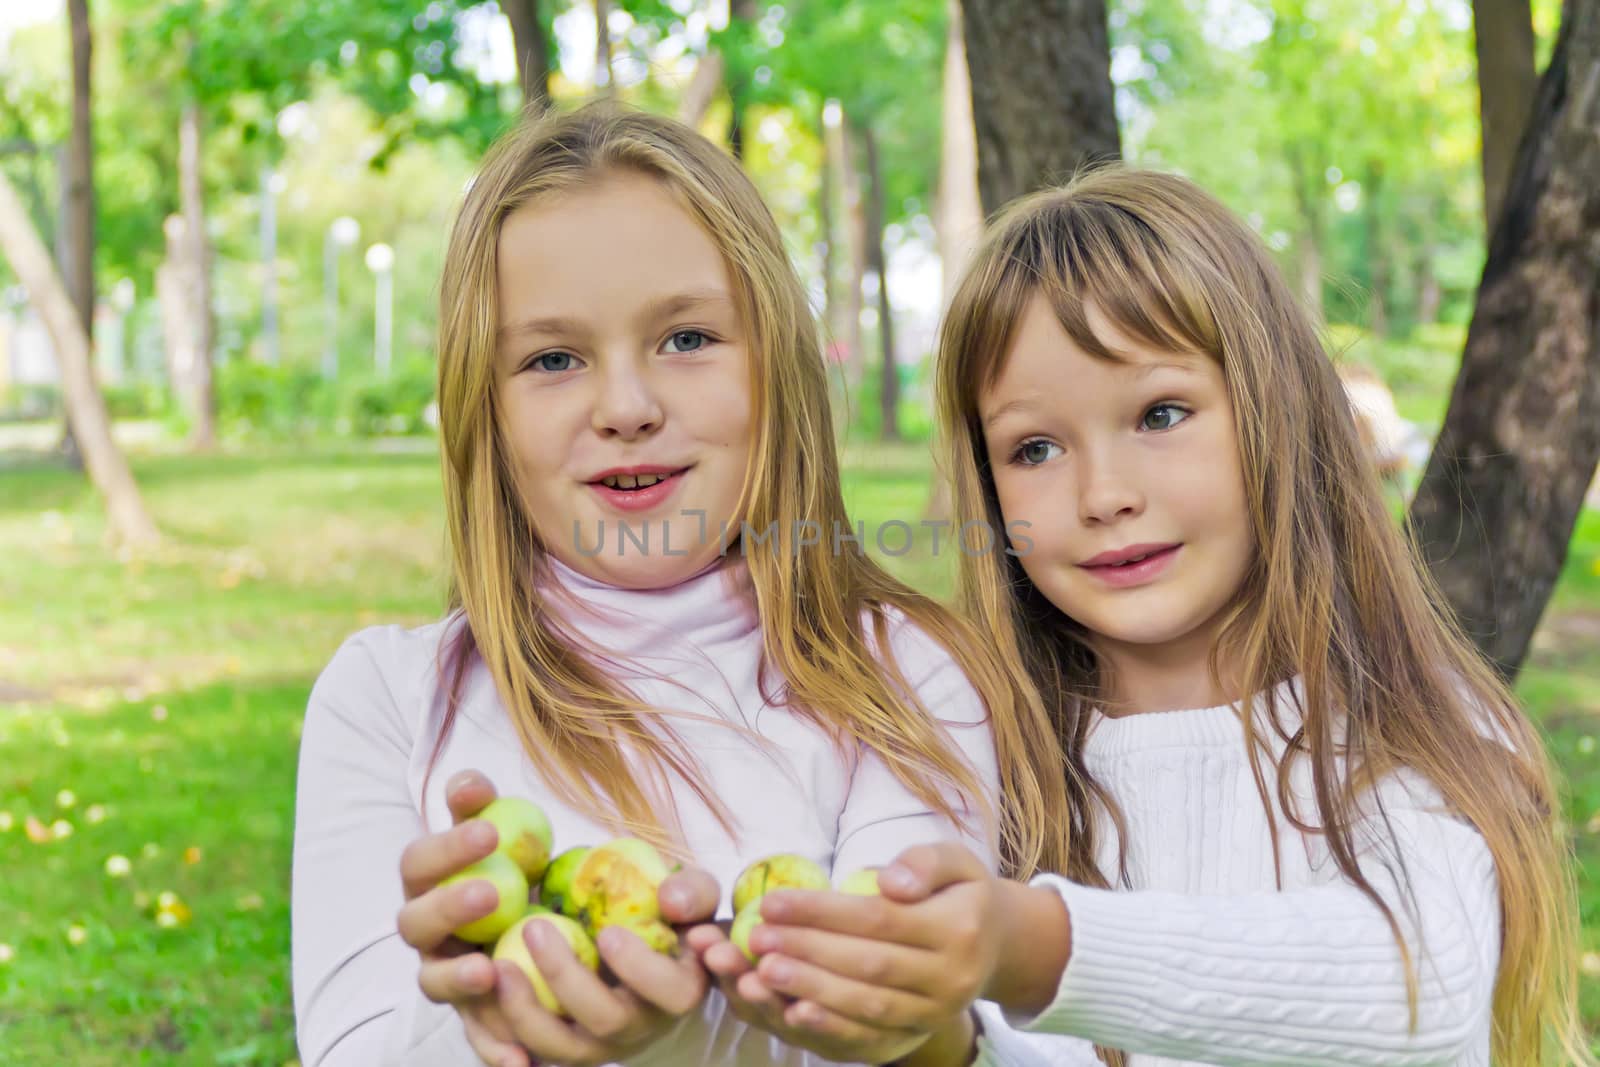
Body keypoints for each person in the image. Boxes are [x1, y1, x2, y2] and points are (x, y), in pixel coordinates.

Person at [695, 167, 1588, 1066]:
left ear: (1279, 415)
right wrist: (926, 1030)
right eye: (1034, 448)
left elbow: (1421, 995)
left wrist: (1034, 946)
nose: (1104, 494)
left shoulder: (1404, 724)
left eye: (1161, 413)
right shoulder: (989, 756)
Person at [289, 102, 1076, 1067]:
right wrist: (478, 1017)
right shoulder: (390, 700)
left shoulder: (903, 677)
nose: (626, 406)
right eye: (552, 359)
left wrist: (911, 1031)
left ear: (775, 369)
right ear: (482, 412)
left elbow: (932, 1019)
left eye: (688, 339)